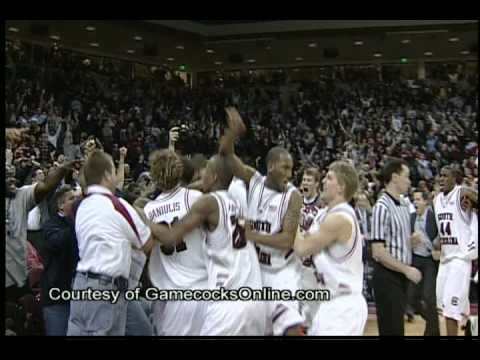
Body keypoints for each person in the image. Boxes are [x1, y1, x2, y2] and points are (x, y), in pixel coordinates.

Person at [149, 155, 266, 335]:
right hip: (234, 291)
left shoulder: (151, 208)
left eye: (206, 171)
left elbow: (166, 237)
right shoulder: (226, 199)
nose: (201, 175)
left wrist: (141, 218)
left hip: (188, 295)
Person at [220, 107, 304, 336]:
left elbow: (287, 240)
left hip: (281, 273)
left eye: (292, 168)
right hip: (255, 272)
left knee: (291, 327)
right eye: (285, 167)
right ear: (270, 166)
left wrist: (252, 235)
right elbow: (226, 155)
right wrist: (232, 133)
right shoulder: (254, 181)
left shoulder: (293, 196)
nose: (290, 173)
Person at [67, 150, 156, 336]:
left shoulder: (81, 206)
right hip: (105, 287)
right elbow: (147, 244)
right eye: (115, 172)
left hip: (80, 285)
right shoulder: (117, 204)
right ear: (108, 175)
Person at [294, 161, 368, 335]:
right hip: (328, 301)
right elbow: (301, 241)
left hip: (344, 305)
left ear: (341, 187)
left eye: (329, 178)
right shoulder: (323, 214)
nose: (324, 182)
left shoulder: (340, 218)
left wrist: (290, 214)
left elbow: (302, 248)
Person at [6, 131, 77, 304]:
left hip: (18, 282)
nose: (13, 180)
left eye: (13, 176)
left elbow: (46, 186)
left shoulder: (20, 196)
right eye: (8, 178)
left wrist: (63, 168)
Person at [143, 149, 208, 335]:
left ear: (154, 177)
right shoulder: (193, 198)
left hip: (168, 293)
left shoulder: (149, 209)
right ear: (180, 171)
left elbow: (147, 249)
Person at [370, 157, 422, 336]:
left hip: (400, 277)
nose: (409, 181)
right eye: (406, 176)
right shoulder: (381, 207)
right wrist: (406, 269)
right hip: (387, 277)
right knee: (392, 330)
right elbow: (377, 251)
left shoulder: (403, 204)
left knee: (397, 329)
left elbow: (396, 240)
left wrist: (410, 240)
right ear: (394, 177)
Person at [433, 165, 478, 336]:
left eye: (445, 176)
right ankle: (471, 326)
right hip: (445, 260)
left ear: (455, 178)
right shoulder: (437, 200)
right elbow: (444, 229)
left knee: (451, 312)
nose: (441, 179)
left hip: (460, 259)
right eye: (440, 175)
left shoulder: (463, 193)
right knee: (445, 306)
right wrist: (437, 243)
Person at [41, 185, 79, 336]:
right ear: (60, 205)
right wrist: (75, 222)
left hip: (80, 295)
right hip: (57, 295)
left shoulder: (82, 224)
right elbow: (56, 243)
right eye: (71, 199)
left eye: (77, 198)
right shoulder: (51, 225)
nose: (76, 202)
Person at [405, 191, 440, 336]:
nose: (415, 202)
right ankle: (433, 322)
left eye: (418, 199)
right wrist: (411, 241)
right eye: (414, 200)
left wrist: (436, 247)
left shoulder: (434, 218)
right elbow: (406, 241)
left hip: (430, 260)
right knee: (411, 298)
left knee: (428, 297)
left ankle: (432, 331)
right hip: (415, 259)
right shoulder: (411, 218)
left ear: (426, 202)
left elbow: (442, 237)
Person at [298, 167, 323, 330]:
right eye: (304, 180)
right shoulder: (295, 202)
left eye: (309, 181)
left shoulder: (322, 206)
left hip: (313, 265)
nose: (305, 183)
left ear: (316, 184)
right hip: (295, 262)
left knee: (313, 311)